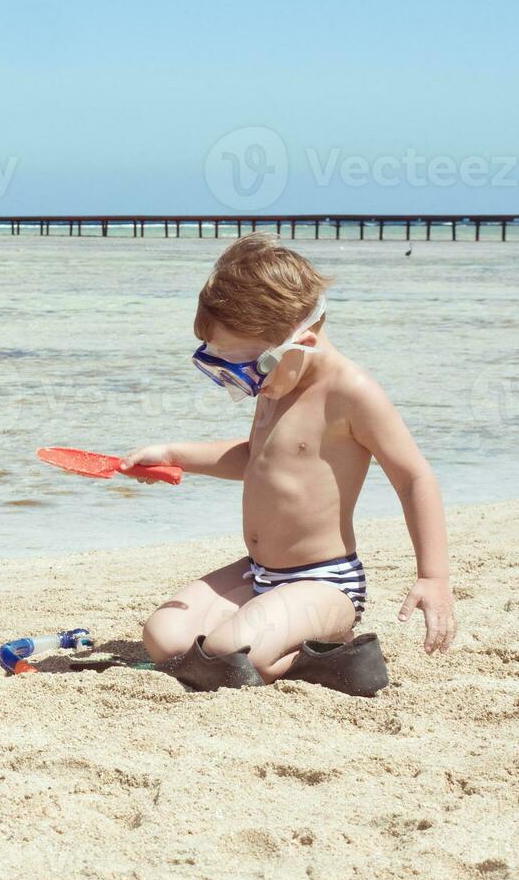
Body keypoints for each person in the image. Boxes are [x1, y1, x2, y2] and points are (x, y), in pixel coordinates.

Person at [123, 232, 456, 694]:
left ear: (306, 337)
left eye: (251, 368)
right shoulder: (278, 382)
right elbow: (255, 459)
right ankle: (265, 641)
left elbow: (414, 476)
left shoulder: (350, 392)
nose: (247, 385)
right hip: (258, 573)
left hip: (324, 583)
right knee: (164, 638)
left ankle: (334, 655)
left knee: (227, 654)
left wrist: (432, 577)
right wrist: (177, 456)